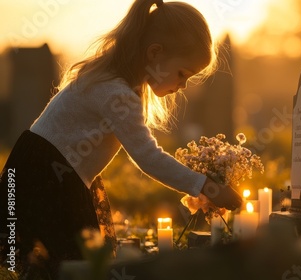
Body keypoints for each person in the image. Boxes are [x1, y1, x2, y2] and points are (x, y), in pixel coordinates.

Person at [0, 0, 242, 278]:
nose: (183, 85)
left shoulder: (115, 81)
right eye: (182, 74)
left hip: (48, 170)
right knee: (70, 266)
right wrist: (206, 187)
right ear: (155, 53)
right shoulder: (117, 93)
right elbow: (148, 157)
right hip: (46, 178)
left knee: (64, 266)